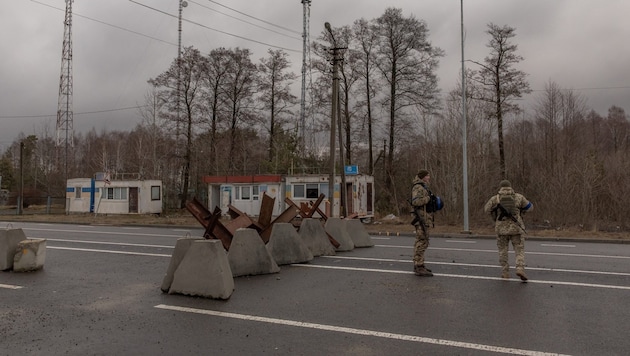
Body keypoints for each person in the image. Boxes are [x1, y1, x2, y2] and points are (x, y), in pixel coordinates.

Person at [484, 180, 533, 281]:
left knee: (503, 251)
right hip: (516, 228)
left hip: (501, 229)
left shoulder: (495, 199)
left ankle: (505, 272)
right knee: (519, 250)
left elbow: (486, 210)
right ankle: (520, 268)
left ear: (500, 187)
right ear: (510, 187)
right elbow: (530, 207)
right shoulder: (519, 197)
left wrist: (495, 211)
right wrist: (521, 211)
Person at [410, 169, 435, 277]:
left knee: (423, 240)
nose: (429, 177)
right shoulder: (417, 187)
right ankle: (418, 265)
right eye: (427, 175)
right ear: (423, 176)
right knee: (421, 240)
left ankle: (420, 264)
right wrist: (428, 198)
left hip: (425, 218)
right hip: (420, 218)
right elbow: (415, 201)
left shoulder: (423, 187)